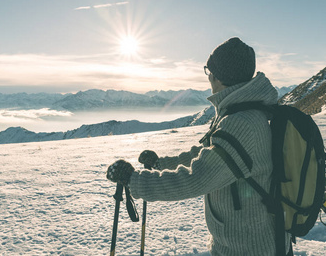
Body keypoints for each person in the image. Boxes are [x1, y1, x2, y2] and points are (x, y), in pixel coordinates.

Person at [107, 37, 292, 255]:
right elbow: (208, 154)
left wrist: (135, 181)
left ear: (220, 76)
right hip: (239, 242)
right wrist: (160, 164)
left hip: (250, 247)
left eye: (209, 71)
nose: (208, 77)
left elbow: (197, 179)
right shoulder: (239, 112)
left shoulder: (242, 123)